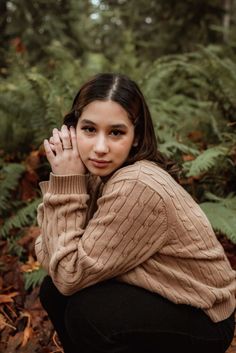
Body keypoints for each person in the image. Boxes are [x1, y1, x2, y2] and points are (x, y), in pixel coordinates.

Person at [35, 73, 236, 353]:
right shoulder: (94, 174)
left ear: (136, 136)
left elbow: (68, 272)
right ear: (71, 131)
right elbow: (50, 254)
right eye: (89, 129)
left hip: (204, 316)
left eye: (116, 132)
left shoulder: (137, 184)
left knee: (87, 313)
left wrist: (65, 184)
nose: (100, 148)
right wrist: (67, 182)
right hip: (160, 296)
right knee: (53, 293)